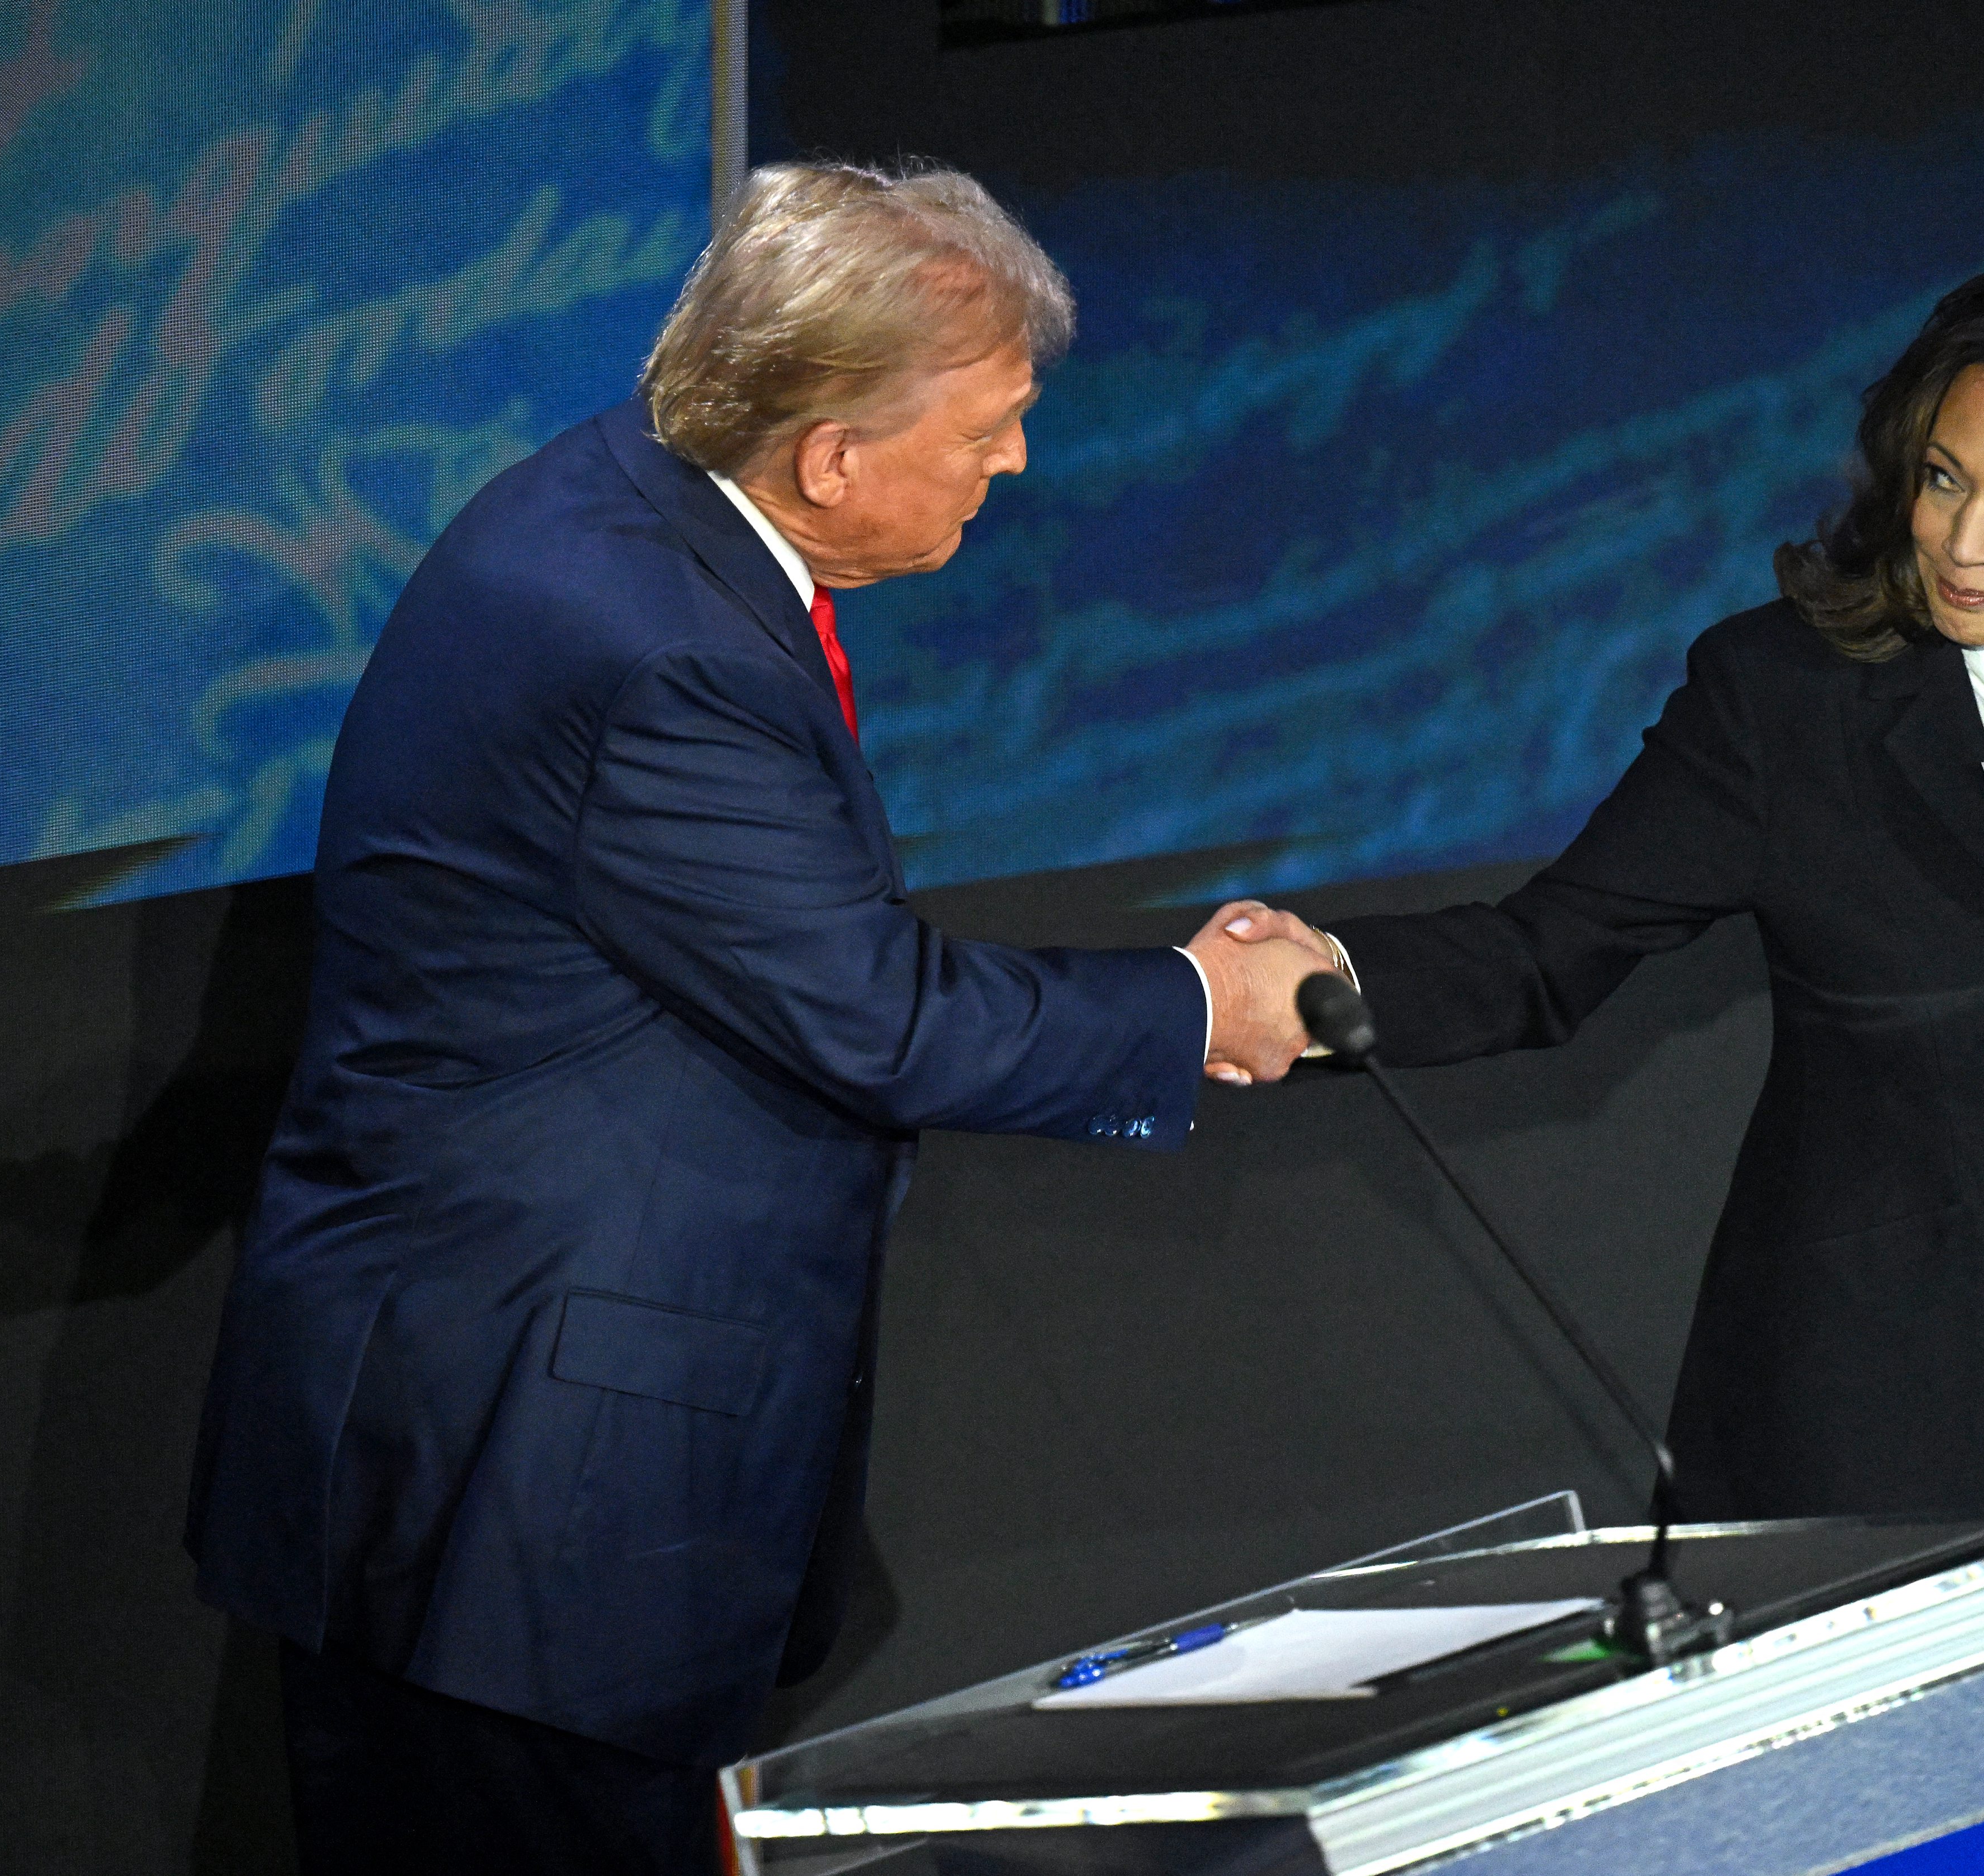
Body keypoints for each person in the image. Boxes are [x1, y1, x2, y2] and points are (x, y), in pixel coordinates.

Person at [184, 162, 1328, 1876]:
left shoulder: (612, 504)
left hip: (469, 1442)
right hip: (529, 1498)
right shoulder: (666, 655)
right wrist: (1200, 1006)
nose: (1013, 466)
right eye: (989, 430)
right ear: (831, 457)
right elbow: (874, 1015)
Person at [1233, 260, 1984, 1874]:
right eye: (1941, 480)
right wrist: (1319, 988)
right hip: (1876, 1450)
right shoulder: (1785, 695)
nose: (1962, 542)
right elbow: (1548, 951)